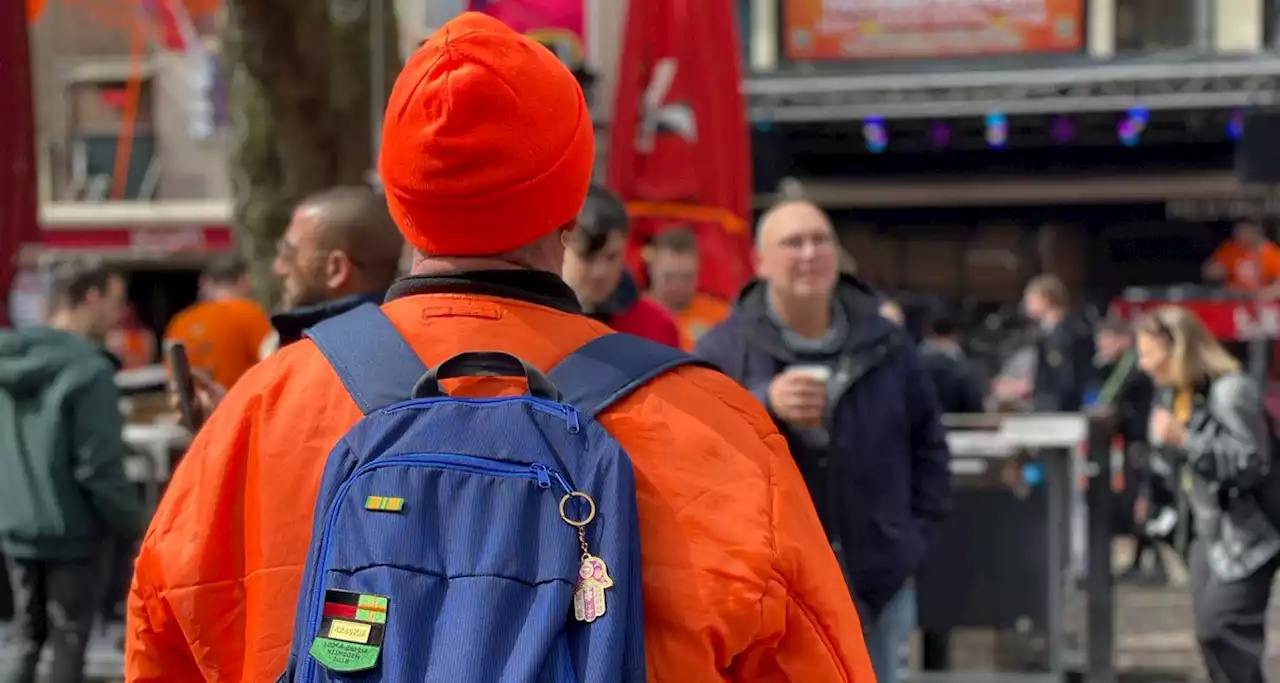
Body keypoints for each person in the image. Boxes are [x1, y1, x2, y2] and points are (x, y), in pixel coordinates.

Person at [126, 14, 873, 682]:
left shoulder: (261, 412)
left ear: (398, 195)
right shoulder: (714, 427)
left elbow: (163, 642)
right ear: (572, 201)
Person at [696, 199, 952, 683]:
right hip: (767, 588)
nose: (810, 253)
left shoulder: (889, 343)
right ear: (761, 261)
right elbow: (696, 453)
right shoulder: (724, 349)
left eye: (821, 240)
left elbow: (930, 450)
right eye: (793, 243)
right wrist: (763, 403)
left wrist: (909, 543)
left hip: (876, 578)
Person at [0, 261, 142, 683]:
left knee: (25, 638)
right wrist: (135, 524)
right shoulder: (90, 369)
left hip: (16, 525)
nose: (119, 314)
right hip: (75, 530)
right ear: (91, 298)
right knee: (69, 642)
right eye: (115, 302)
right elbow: (98, 467)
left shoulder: (9, 359)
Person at [1137, 306, 1280, 683]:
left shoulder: (1232, 390)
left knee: (1222, 629)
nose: (1144, 364)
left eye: (1150, 353)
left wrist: (1185, 439)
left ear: (1178, 349)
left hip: (1249, 534)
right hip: (1205, 531)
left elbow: (1251, 460)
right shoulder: (1175, 395)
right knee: (1210, 638)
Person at [261, 185, 406, 358]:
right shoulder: (411, 342)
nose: (278, 268)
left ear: (336, 269)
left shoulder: (304, 362)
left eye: (289, 254)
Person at [562, 185, 683, 347]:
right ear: (561, 247)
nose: (600, 271)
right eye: (587, 256)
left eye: (611, 256)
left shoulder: (656, 327)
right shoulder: (531, 320)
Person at [1093, 318, 1165, 584]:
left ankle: (1156, 561)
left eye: (1106, 341)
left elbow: (1112, 399)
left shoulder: (1133, 366)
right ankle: (1141, 560)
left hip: (1141, 443)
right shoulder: (1122, 365)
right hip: (1133, 441)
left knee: (1140, 501)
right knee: (1136, 501)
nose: (1101, 347)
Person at [163, 255, 272, 390]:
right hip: (241, 406)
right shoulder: (251, 313)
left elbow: (172, 378)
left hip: (197, 409)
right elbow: (271, 362)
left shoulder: (180, 321)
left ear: (206, 282)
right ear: (244, 280)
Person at [1011, 274, 1096, 412]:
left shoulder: (1061, 337)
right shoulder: (1066, 330)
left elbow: (1063, 380)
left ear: (1046, 299)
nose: (1026, 305)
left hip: (1057, 410)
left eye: (1031, 300)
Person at [644, 227, 731, 351]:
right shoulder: (634, 317)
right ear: (651, 269)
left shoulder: (723, 317)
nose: (677, 286)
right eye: (669, 277)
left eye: (687, 277)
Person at [919, 313, 985, 416]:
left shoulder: (913, 363)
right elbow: (974, 405)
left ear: (928, 332)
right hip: (959, 428)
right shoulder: (964, 368)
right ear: (956, 335)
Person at [1203, 219, 1280, 297]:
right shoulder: (1230, 249)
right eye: (1238, 234)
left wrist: (1266, 293)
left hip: (1260, 297)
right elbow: (1209, 271)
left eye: (1245, 232)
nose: (1242, 237)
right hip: (1233, 297)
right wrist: (1217, 271)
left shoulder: (1271, 253)